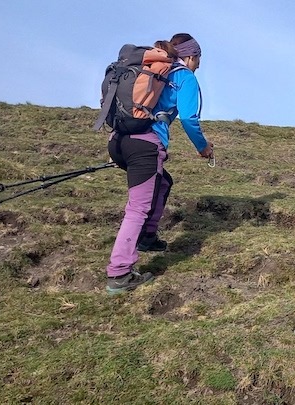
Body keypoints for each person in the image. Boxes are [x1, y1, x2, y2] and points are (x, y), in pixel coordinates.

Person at [105, 33, 214, 294]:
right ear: (190, 56)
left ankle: (148, 237)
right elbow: (189, 119)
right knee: (137, 208)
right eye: (198, 59)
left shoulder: (147, 69)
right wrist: (204, 148)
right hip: (145, 145)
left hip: (119, 140)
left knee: (163, 182)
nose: (198, 64)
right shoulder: (184, 77)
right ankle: (119, 273)